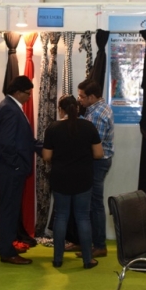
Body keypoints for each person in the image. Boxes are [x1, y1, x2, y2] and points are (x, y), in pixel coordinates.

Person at [42, 95, 103, 269]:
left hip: (60, 177)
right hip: (83, 177)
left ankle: (57, 259)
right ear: (77, 108)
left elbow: (46, 156)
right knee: (83, 217)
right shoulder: (88, 127)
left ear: (60, 110)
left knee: (61, 216)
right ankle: (88, 260)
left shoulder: (53, 128)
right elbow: (99, 153)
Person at [0, 75, 38, 265]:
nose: (29, 97)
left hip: (10, 168)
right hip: (11, 169)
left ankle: (4, 245)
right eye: (28, 93)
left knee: (9, 209)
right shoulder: (10, 109)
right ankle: (7, 252)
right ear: (18, 92)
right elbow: (7, 143)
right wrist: (17, 165)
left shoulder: (9, 106)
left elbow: (22, 140)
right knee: (9, 211)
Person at [76, 79, 114, 258]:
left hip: (97, 162)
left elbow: (92, 144)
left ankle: (99, 245)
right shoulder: (95, 110)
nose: (79, 99)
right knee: (90, 203)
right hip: (95, 162)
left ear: (91, 97)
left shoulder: (98, 114)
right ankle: (88, 242)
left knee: (95, 204)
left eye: (82, 96)